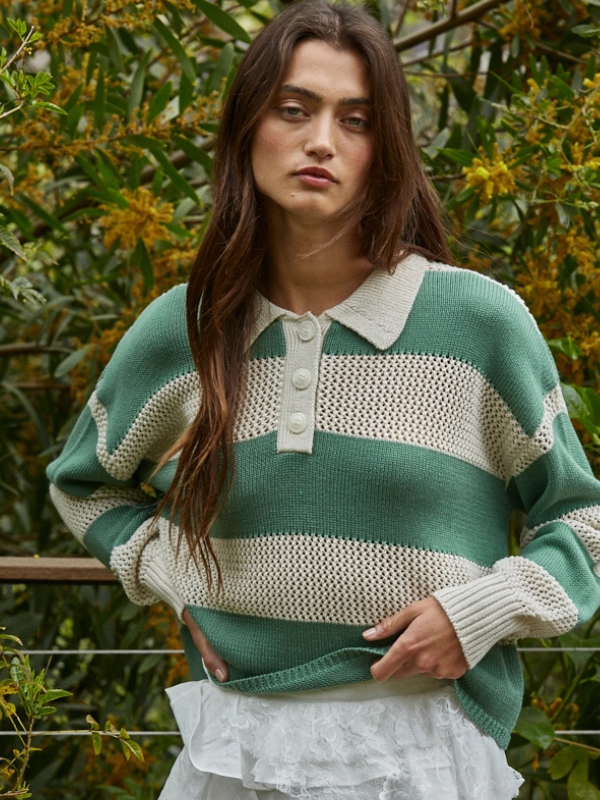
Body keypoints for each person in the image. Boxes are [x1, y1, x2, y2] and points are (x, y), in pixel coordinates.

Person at [46, 1, 600, 798]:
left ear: (387, 149)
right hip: (234, 748)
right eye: (294, 110)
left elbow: (581, 519)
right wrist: (173, 572)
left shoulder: (479, 322)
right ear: (247, 129)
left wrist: (481, 611)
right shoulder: (186, 326)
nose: (320, 142)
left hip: (421, 746)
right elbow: (82, 480)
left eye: (357, 120)